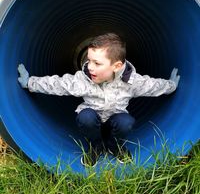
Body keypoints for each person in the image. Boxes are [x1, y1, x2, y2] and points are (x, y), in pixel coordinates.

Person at [17, 33, 180, 167]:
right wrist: (30, 82)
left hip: (114, 120)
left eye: (97, 63)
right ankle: (96, 146)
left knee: (126, 121)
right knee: (85, 117)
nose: (89, 67)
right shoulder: (83, 79)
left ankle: (114, 146)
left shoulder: (131, 82)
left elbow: (151, 86)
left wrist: (171, 85)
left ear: (116, 66)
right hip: (92, 118)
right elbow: (58, 84)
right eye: (88, 60)